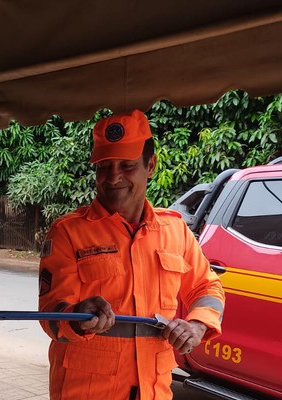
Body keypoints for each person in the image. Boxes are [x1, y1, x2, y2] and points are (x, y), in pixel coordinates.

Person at [38, 110, 225, 400]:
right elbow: (50, 317)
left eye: (126, 166)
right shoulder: (68, 232)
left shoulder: (175, 230)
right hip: (86, 392)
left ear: (150, 165)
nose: (113, 178)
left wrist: (197, 326)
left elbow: (207, 288)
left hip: (154, 391)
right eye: (103, 166)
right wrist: (77, 316)